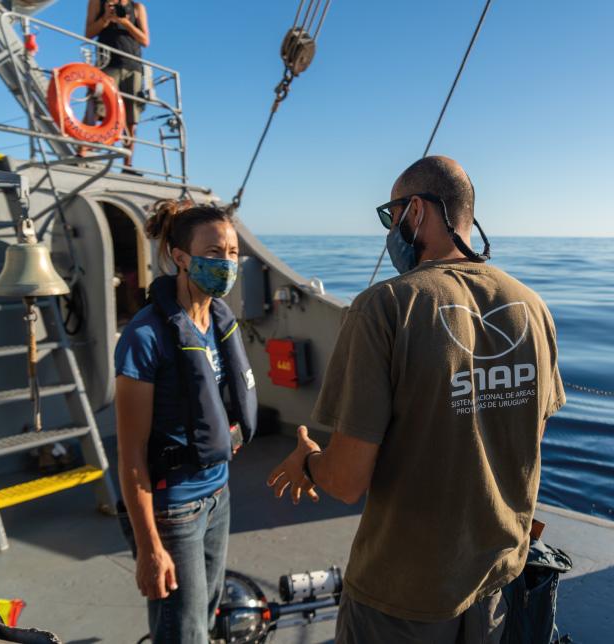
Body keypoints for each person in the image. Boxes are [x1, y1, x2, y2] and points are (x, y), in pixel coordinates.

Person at [267, 156, 565, 643]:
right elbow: (527, 443)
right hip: (498, 585)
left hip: (403, 594)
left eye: (392, 215)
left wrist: (308, 462)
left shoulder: (383, 307)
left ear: (419, 213)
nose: (391, 229)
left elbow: (346, 480)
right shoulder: (533, 307)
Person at [115, 200, 257, 644]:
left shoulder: (215, 321)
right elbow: (132, 454)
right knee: (183, 633)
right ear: (180, 257)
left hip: (218, 495)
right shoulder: (145, 338)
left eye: (233, 253)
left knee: (204, 616)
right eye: (214, 253)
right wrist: (149, 549)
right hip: (174, 508)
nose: (227, 263)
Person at [85, 0, 150, 166]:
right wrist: (105, 18)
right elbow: (88, 33)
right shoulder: (97, 3)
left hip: (133, 67)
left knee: (131, 119)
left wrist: (125, 22)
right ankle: (84, 153)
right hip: (107, 63)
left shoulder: (137, 8)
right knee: (97, 109)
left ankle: (127, 165)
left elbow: (145, 40)